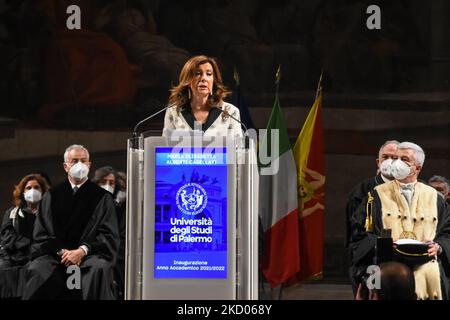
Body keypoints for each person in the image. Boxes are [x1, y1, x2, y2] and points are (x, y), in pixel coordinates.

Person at [350, 142, 450, 300]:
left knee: (432, 274)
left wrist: (439, 246)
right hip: (384, 258)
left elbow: (447, 233)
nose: (396, 162)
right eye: (395, 158)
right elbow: (359, 233)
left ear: (417, 168)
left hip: (426, 259)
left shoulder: (435, 197)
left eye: (404, 159)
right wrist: (381, 243)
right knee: (379, 276)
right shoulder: (374, 196)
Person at [23, 145, 119, 300]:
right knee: (38, 269)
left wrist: (81, 251)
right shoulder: (51, 196)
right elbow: (41, 235)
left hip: (89, 256)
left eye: (83, 160)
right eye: (75, 161)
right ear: (65, 166)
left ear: (89, 164)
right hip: (57, 256)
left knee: (99, 268)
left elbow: (108, 235)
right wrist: (64, 253)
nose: (80, 165)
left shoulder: (102, 197)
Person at [346, 140, 399, 294]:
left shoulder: (414, 188)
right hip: (372, 259)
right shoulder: (362, 191)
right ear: (378, 162)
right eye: (385, 157)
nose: (390, 161)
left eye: (395, 157)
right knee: (374, 294)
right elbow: (355, 232)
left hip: (404, 260)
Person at [163, 55, 243, 138]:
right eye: (197, 73)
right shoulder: (173, 112)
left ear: (213, 81)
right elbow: (166, 148)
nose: (203, 78)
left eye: (209, 74)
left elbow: (238, 148)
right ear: (187, 80)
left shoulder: (230, 112)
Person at [0, 174, 50, 298]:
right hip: (14, 255)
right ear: (22, 192)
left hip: (37, 256)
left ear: (43, 191)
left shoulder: (49, 215)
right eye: (28, 188)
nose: (32, 190)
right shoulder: (12, 213)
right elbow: (7, 236)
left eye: (36, 187)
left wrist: (34, 249)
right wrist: (28, 245)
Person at [92, 166, 126, 300]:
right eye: (104, 181)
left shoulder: (118, 209)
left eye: (111, 183)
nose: (107, 185)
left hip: (114, 258)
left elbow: (121, 235)